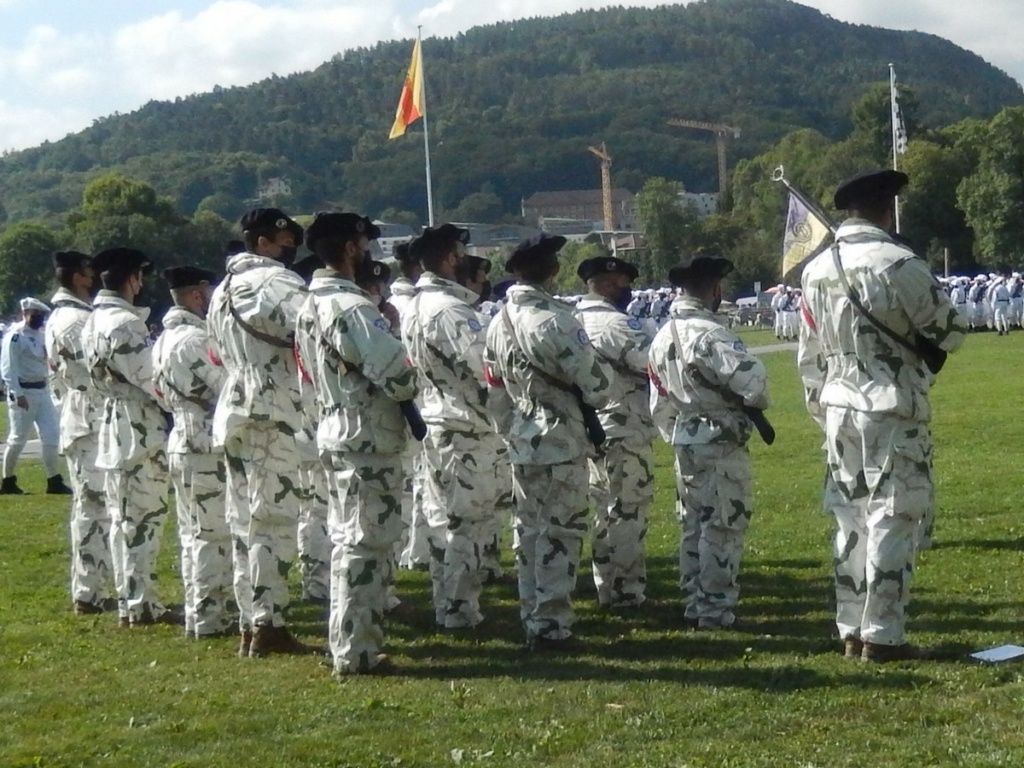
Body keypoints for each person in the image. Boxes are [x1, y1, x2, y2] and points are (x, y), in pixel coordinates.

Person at [798, 169, 968, 662]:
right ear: (888, 209)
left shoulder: (815, 270)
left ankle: (851, 629)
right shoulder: (897, 263)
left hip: (837, 405)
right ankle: (883, 635)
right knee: (893, 516)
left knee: (849, 521)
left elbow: (808, 354)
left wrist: (820, 404)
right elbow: (950, 330)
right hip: (890, 403)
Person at [293, 212, 418, 675]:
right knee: (364, 545)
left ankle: (352, 644)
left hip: (340, 427)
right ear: (349, 248)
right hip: (366, 434)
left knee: (350, 540)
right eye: (365, 242)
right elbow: (400, 375)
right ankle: (357, 651)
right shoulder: (351, 308)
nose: (369, 251)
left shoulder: (313, 303)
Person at [483, 233, 612, 649]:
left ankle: (532, 616)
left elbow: (495, 391)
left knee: (530, 532)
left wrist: (512, 430)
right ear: (553, 269)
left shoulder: (497, 323)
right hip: (560, 439)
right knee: (561, 533)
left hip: (523, 437)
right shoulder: (556, 321)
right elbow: (597, 386)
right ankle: (553, 624)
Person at [207, 207, 313, 658]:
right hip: (273, 409)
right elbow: (313, 331)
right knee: (273, 520)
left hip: (235, 408)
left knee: (243, 523)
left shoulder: (220, 290)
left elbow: (215, 351)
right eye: (283, 242)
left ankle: (251, 622)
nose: (289, 250)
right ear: (262, 243)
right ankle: (269, 623)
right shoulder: (277, 283)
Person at [648, 256, 770, 631]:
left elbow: (658, 400)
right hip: (719, 440)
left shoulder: (662, 335)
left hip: (686, 436)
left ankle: (694, 601)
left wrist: (678, 433)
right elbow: (756, 385)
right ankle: (715, 610)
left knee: (693, 523)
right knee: (723, 525)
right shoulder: (712, 334)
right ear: (715, 290)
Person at [401, 224, 514, 629]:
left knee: (441, 522)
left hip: (436, 420)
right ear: (451, 258)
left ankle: (447, 602)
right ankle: (460, 610)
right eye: (461, 252)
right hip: (463, 426)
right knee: (466, 523)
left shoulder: (414, 304)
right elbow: (486, 367)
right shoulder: (450, 310)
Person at [82, 247, 172, 626]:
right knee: (143, 519)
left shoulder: (93, 320)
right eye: (140, 277)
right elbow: (154, 380)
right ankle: (140, 604)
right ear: (132, 279)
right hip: (138, 426)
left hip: (114, 421)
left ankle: (131, 599)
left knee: (124, 520)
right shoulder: (124, 323)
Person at [153, 266, 235, 639]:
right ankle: (208, 615)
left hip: (182, 437)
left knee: (193, 533)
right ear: (198, 296)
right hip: (201, 439)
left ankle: (198, 610)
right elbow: (224, 387)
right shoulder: (193, 340)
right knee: (211, 533)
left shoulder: (163, 339)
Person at [574, 256, 654, 609]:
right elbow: (652, 362)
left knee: (606, 509)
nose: (628, 291)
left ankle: (607, 584)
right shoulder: (614, 325)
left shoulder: (575, 321)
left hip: (596, 426)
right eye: (623, 284)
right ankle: (624, 590)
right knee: (627, 510)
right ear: (607, 284)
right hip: (623, 426)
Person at [46, 251, 111, 614]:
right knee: (93, 509)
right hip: (89, 418)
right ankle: (88, 592)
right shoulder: (75, 320)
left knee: (96, 509)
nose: (95, 278)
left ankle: (93, 588)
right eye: (89, 273)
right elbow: (96, 371)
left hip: (84, 416)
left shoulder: (68, 316)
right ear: (77, 278)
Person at [0, 297, 69, 495]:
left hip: (42, 390)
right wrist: (16, 393)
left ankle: (53, 479)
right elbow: (8, 368)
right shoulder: (15, 336)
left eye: (41, 316)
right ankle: (8, 480)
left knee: (51, 435)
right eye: (35, 315)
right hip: (24, 391)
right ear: (25, 314)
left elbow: (45, 358)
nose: (39, 319)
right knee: (18, 438)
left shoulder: (41, 335)